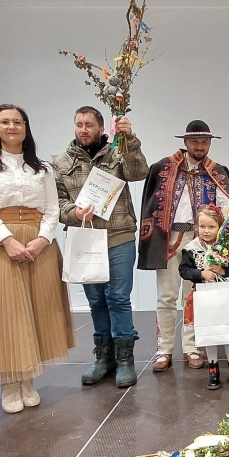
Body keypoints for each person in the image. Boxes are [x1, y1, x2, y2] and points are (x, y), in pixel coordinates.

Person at [0, 105, 75, 413]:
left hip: (39, 242)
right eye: (5, 122)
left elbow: (52, 208)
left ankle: (27, 379)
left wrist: (43, 239)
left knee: (37, 308)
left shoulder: (42, 168)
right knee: (5, 310)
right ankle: (10, 382)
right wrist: (7, 239)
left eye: (18, 121)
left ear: (26, 127)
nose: (12, 126)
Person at [139, 120, 229, 373]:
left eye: (205, 142)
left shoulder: (217, 171)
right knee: (166, 296)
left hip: (202, 240)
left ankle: (192, 348)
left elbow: (227, 207)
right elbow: (151, 204)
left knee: (195, 296)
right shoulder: (163, 168)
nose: (200, 146)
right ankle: (164, 349)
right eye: (195, 141)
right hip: (169, 238)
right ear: (185, 142)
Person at [53, 106, 148, 388]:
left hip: (119, 236)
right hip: (84, 238)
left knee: (118, 297)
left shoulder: (117, 152)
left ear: (101, 128)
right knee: (96, 301)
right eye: (79, 124)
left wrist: (130, 139)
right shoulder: (61, 162)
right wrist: (74, 213)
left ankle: (125, 360)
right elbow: (56, 203)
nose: (84, 129)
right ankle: (103, 358)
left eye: (89, 125)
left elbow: (138, 172)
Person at [178, 205, 229, 390]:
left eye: (211, 227)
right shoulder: (191, 248)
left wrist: (224, 271)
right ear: (196, 227)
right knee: (208, 332)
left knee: (228, 331)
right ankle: (213, 368)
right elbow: (183, 270)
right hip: (203, 297)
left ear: (220, 227)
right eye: (202, 226)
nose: (206, 231)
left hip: (225, 295)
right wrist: (200, 274)